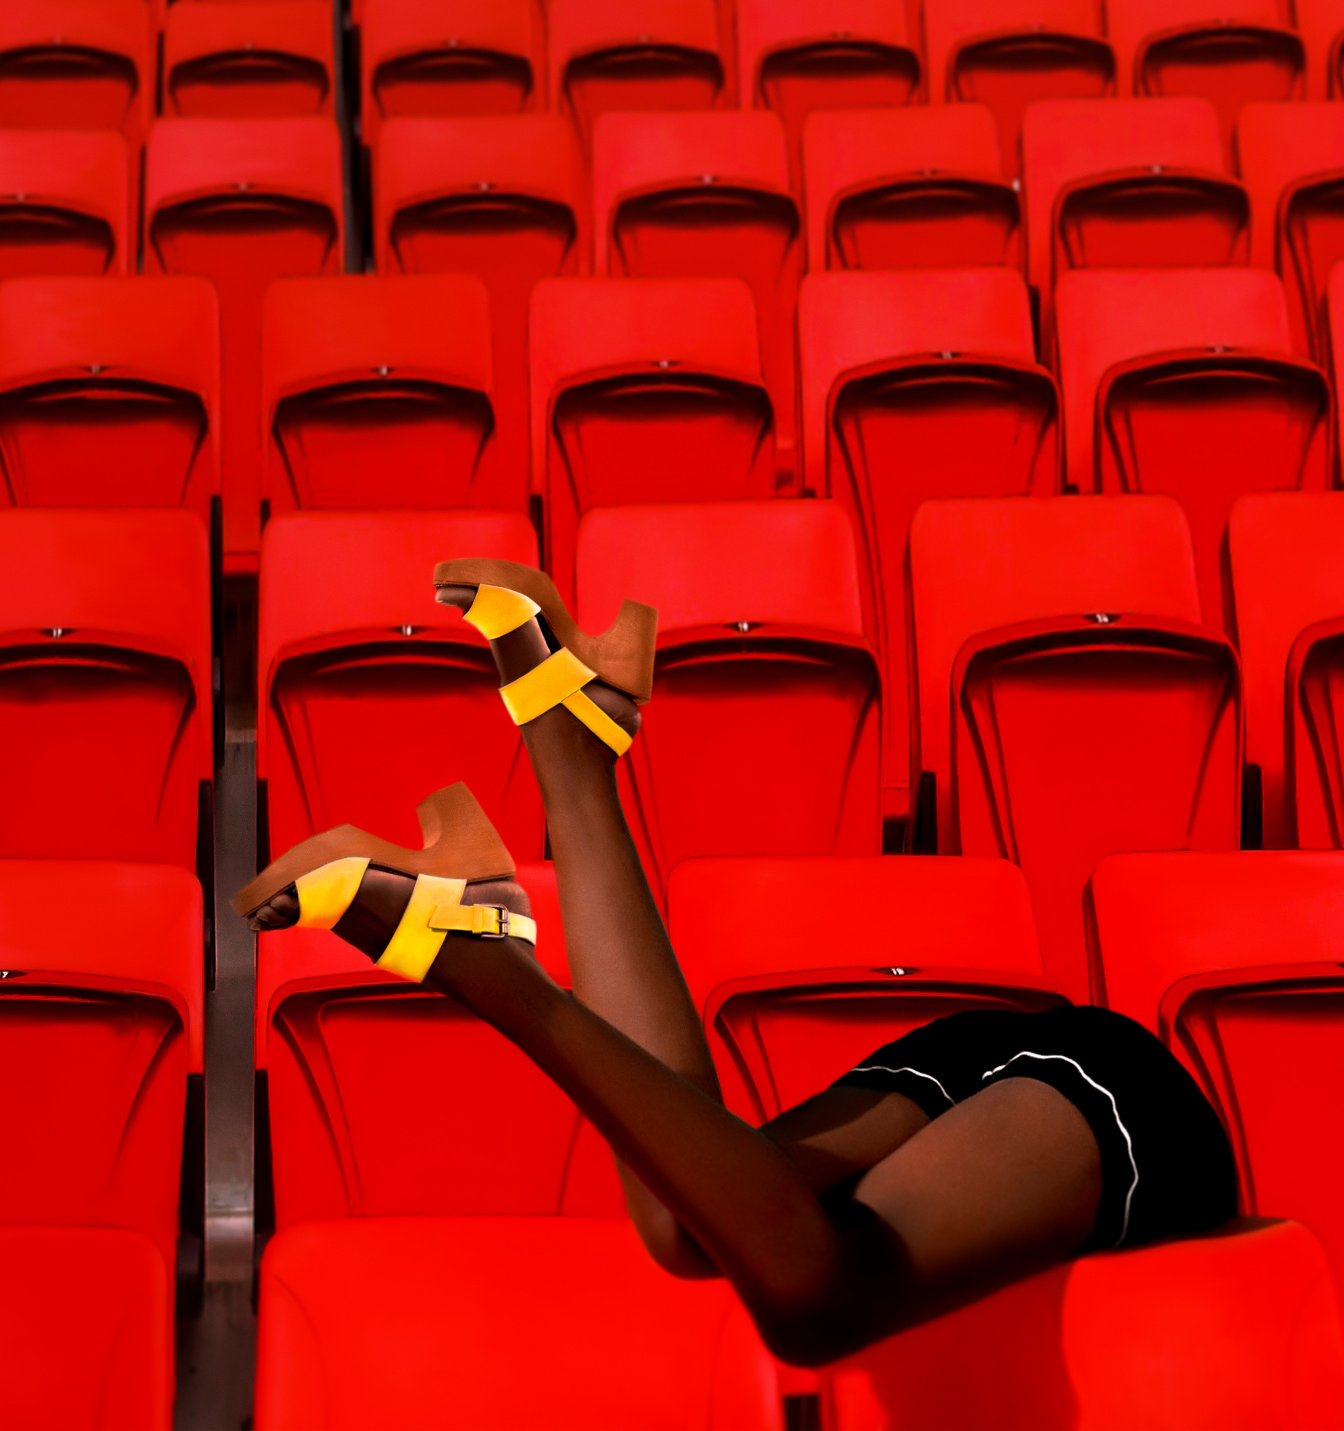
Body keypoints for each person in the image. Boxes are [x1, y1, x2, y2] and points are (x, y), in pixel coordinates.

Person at [237, 558, 1239, 1367]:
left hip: (1057, 1077)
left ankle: (565, 778)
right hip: (1100, 1092)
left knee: (718, 1240)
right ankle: (508, 928)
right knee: (765, 1271)